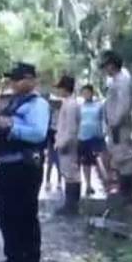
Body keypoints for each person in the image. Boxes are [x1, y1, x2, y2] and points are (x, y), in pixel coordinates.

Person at [0, 62, 50, 262]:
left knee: (24, 216)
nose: (13, 83)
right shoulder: (14, 103)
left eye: (17, 79)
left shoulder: (38, 105)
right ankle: (13, 259)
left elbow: (37, 134)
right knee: (7, 216)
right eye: (12, 80)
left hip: (25, 168)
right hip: (7, 167)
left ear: (30, 80)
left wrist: (11, 127)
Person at [101, 51, 132, 197]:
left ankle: (127, 192)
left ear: (112, 66)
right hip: (115, 125)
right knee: (117, 156)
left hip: (120, 125)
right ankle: (123, 189)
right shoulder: (115, 80)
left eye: (106, 66)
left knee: (123, 156)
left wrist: (115, 122)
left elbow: (124, 105)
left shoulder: (123, 80)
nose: (105, 70)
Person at [53, 75, 82, 216]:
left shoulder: (71, 105)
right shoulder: (69, 103)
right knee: (70, 174)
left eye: (60, 88)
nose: (59, 91)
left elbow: (71, 128)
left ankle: (71, 206)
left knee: (71, 174)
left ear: (65, 88)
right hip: (67, 142)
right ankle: (71, 205)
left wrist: (64, 143)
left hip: (68, 144)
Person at [77, 84, 109, 196]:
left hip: (97, 136)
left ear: (92, 93)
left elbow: (104, 119)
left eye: (88, 92)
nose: (86, 94)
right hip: (83, 136)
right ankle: (88, 185)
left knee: (101, 160)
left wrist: (104, 132)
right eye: (84, 92)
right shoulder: (79, 106)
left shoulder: (99, 105)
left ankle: (106, 183)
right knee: (86, 162)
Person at [44, 93, 64, 192]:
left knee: (59, 161)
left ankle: (59, 182)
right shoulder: (49, 112)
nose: (55, 105)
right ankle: (47, 181)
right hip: (51, 135)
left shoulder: (63, 113)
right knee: (50, 161)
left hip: (59, 135)